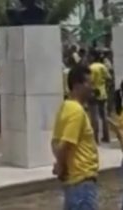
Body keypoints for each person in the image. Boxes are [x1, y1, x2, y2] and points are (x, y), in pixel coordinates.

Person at [52, 66, 99, 210]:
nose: (92, 87)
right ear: (77, 85)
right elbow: (64, 144)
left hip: (74, 183)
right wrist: (61, 166)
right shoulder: (76, 111)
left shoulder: (65, 107)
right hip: (82, 182)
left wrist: (62, 165)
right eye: (89, 83)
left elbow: (54, 142)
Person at [89, 50, 111, 143]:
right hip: (103, 93)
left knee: (94, 117)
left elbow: (89, 81)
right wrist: (106, 87)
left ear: (93, 57)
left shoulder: (91, 68)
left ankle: (95, 138)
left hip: (93, 94)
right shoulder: (103, 67)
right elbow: (109, 79)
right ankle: (107, 137)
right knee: (104, 116)